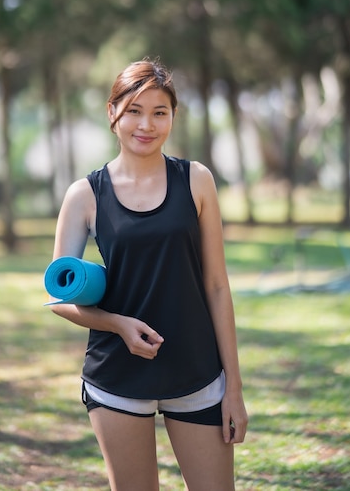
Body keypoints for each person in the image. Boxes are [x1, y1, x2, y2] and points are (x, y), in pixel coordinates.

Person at [49, 57, 248, 491]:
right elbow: (57, 294)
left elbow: (216, 285)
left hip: (197, 372)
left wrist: (233, 388)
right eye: (134, 110)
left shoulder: (196, 181)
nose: (147, 124)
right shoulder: (84, 194)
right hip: (116, 376)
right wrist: (117, 324)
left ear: (173, 117)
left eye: (160, 112)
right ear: (112, 113)